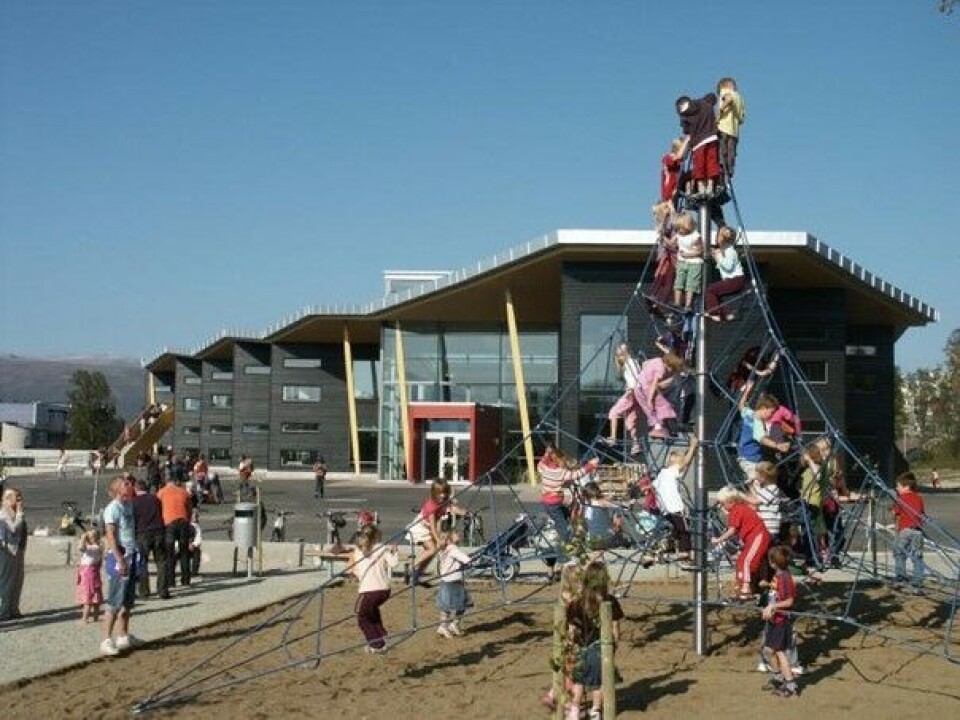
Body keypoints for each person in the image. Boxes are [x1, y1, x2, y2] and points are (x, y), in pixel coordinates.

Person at [565, 561, 623, 720]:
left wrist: (570, 647)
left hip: (580, 646)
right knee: (600, 680)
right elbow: (615, 627)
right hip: (601, 647)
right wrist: (615, 644)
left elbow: (571, 630)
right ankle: (595, 710)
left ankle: (575, 709)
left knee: (579, 679)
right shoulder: (609, 601)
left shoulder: (576, 603)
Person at [101, 475, 139, 656]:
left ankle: (123, 636)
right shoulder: (112, 509)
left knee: (128, 601)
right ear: (118, 490)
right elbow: (110, 536)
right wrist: (119, 559)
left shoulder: (129, 505)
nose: (130, 487)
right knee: (115, 600)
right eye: (126, 485)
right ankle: (106, 639)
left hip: (132, 553)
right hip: (119, 557)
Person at [713, 486, 771, 599]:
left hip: (758, 536)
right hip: (751, 538)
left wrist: (719, 539)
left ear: (731, 501)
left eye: (722, 503)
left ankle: (746, 587)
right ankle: (746, 586)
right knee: (742, 560)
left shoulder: (737, 509)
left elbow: (732, 530)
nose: (721, 506)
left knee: (746, 560)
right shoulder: (738, 509)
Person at [349, 524, 399, 653]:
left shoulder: (358, 551)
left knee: (362, 618)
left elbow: (357, 572)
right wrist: (395, 551)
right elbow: (394, 563)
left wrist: (355, 575)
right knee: (371, 612)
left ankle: (377, 644)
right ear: (377, 536)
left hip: (370, 591)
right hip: (384, 591)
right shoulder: (382, 548)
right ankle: (382, 634)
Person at [652, 436, 699, 570]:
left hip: (665, 509)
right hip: (675, 507)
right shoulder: (672, 471)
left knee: (676, 531)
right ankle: (685, 556)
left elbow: (653, 486)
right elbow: (685, 463)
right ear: (676, 463)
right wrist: (693, 446)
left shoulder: (662, 473)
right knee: (684, 531)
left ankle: (664, 547)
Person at [406, 479, 465, 586]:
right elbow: (433, 526)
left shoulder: (444, 502)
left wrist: (464, 512)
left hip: (428, 528)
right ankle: (411, 566)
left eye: (444, 493)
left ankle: (416, 575)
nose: (442, 495)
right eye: (440, 493)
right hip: (421, 528)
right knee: (432, 549)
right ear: (434, 493)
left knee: (431, 554)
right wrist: (438, 539)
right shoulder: (431, 506)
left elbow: (452, 508)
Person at [538, 447, 600, 545]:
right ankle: (568, 545)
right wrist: (591, 465)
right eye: (563, 461)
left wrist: (546, 453)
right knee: (563, 525)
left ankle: (564, 536)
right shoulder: (562, 473)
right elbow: (578, 473)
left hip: (548, 502)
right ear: (559, 461)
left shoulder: (544, 468)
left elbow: (542, 462)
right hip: (553, 504)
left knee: (565, 516)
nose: (565, 463)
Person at [761, 545, 800, 698]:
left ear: (773, 563)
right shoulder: (779, 576)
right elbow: (778, 592)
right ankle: (778, 677)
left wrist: (772, 606)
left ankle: (790, 685)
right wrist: (768, 585)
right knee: (768, 650)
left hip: (781, 621)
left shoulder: (784, 578)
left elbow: (789, 601)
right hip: (774, 620)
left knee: (779, 652)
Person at [676, 92, 720, 199]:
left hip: (698, 142)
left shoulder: (684, 116)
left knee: (699, 166)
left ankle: (701, 188)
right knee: (712, 163)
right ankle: (710, 186)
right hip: (712, 137)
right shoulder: (705, 103)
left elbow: (687, 132)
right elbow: (712, 96)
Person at [603, 343, 643, 454]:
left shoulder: (631, 362)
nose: (620, 357)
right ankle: (636, 445)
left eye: (620, 355)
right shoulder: (631, 363)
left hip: (632, 392)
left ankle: (613, 438)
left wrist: (630, 389)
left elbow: (636, 378)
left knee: (614, 412)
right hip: (637, 394)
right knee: (630, 421)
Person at [637, 351, 686, 441]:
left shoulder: (657, 360)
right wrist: (649, 399)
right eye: (672, 369)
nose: (670, 371)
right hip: (647, 388)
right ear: (669, 365)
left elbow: (645, 363)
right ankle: (659, 429)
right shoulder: (661, 369)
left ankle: (657, 427)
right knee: (663, 405)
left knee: (652, 409)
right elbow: (654, 384)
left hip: (639, 387)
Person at [132, 478, 168, 599]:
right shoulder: (155, 499)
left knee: (143, 562)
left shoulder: (134, 502)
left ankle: (144, 591)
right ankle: (163, 590)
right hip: (158, 530)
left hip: (143, 532)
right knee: (161, 561)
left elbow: (134, 519)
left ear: (136, 488)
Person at [891, 471, 926, 594]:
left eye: (898, 486)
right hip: (918, 531)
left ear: (906, 487)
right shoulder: (919, 497)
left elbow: (895, 512)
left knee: (899, 553)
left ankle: (900, 578)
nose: (897, 488)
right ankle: (918, 583)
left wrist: (892, 508)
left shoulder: (901, 498)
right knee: (917, 557)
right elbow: (921, 514)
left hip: (905, 530)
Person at [157, 475, 193, 589]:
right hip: (183, 522)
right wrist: (187, 520)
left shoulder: (161, 493)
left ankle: (171, 581)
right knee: (184, 552)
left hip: (169, 523)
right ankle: (186, 579)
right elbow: (189, 509)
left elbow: (158, 508)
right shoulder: (183, 492)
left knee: (170, 553)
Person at [435, 530, 472, 638]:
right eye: (456, 533)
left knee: (446, 606)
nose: (458, 534)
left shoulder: (445, 550)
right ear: (449, 538)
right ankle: (447, 626)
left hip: (447, 581)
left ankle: (449, 625)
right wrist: (473, 561)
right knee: (462, 604)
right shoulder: (453, 549)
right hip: (453, 582)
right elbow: (466, 560)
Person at [705, 226, 745, 322]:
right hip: (734, 280)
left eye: (718, 235)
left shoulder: (729, 250)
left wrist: (717, 256)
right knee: (717, 294)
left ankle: (714, 313)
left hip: (735, 280)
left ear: (721, 238)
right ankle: (728, 313)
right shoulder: (726, 249)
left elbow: (728, 266)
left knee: (710, 290)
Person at [0, 487, 27, 621]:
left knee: (17, 581)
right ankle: (4, 611)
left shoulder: (14, 512)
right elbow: (13, 528)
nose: (20, 501)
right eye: (17, 498)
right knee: (7, 581)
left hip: (18, 550)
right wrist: (20, 514)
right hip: (7, 551)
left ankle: (13, 609)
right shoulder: (3, 514)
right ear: (8, 499)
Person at [671, 213, 704, 314]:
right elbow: (672, 245)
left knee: (691, 284)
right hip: (682, 261)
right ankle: (677, 303)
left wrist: (688, 255)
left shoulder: (696, 236)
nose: (679, 231)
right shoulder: (678, 235)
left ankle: (688, 305)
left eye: (680, 228)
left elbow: (700, 251)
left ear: (687, 226)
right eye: (677, 229)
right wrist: (662, 237)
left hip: (694, 262)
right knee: (678, 282)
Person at [716, 77, 746, 179]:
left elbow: (728, 99)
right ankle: (729, 171)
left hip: (723, 127)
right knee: (731, 152)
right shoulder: (739, 98)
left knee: (721, 151)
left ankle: (721, 170)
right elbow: (742, 118)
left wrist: (719, 111)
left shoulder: (726, 92)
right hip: (734, 131)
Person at [747, 462, 784, 543]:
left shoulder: (772, 488)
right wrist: (750, 486)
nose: (755, 477)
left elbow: (756, 501)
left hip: (769, 529)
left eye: (757, 474)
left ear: (764, 477)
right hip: (764, 528)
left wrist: (739, 495)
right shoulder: (765, 489)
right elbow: (757, 497)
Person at [76, 528, 103, 624]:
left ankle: (85, 618)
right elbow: (100, 562)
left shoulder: (92, 548)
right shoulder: (99, 547)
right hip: (94, 571)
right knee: (95, 594)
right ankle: (96, 616)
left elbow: (81, 548)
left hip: (88, 573)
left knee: (87, 596)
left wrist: (83, 537)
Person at [661, 136, 689, 205]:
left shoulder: (678, 163)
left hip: (675, 191)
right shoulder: (667, 158)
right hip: (668, 193)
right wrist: (687, 141)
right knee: (671, 212)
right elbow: (679, 156)